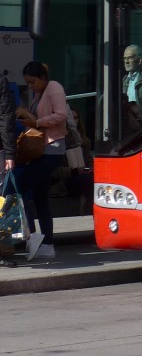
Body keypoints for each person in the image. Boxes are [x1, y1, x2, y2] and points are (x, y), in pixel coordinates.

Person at [6, 61, 69, 260]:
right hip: (45, 150)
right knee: (40, 197)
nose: (31, 86)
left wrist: (36, 122)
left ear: (42, 78)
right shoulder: (40, 92)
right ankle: (47, 244)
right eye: (29, 83)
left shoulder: (54, 87)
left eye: (33, 82)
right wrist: (28, 116)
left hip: (52, 149)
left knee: (20, 188)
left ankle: (33, 236)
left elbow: (61, 114)